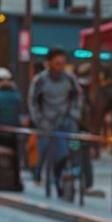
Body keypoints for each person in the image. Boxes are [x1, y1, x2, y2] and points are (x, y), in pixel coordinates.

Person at [28, 48, 81, 195]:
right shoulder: (40, 80)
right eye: (57, 63)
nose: (60, 66)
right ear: (49, 63)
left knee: (71, 149)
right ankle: (41, 175)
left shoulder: (70, 79)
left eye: (63, 63)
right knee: (45, 152)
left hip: (66, 123)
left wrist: (74, 115)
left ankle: (67, 177)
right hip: (47, 124)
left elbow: (77, 98)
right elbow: (33, 102)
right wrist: (40, 121)